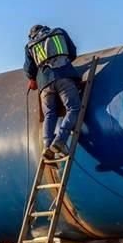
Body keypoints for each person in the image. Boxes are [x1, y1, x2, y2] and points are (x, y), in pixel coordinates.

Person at [24, 24, 82, 158]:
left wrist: (32, 79)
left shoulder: (30, 45)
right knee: (74, 108)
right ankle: (60, 140)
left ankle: (47, 147)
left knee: (49, 114)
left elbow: (29, 69)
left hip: (44, 84)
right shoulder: (58, 32)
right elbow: (72, 52)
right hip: (63, 75)